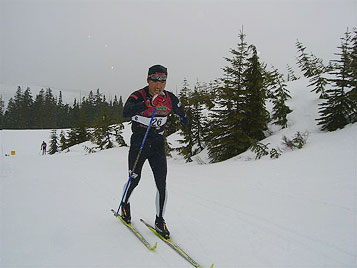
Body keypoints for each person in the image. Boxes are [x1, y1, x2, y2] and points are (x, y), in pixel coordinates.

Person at [120, 64, 188, 238]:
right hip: (140, 141)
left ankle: (160, 220)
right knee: (134, 178)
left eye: (163, 81)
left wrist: (184, 119)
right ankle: (125, 204)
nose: (159, 85)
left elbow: (182, 112)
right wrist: (148, 103)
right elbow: (126, 112)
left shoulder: (170, 98)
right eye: (155, 80)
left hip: (157, 142)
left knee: (161, 183)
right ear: (148, 79)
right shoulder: (138, 95)